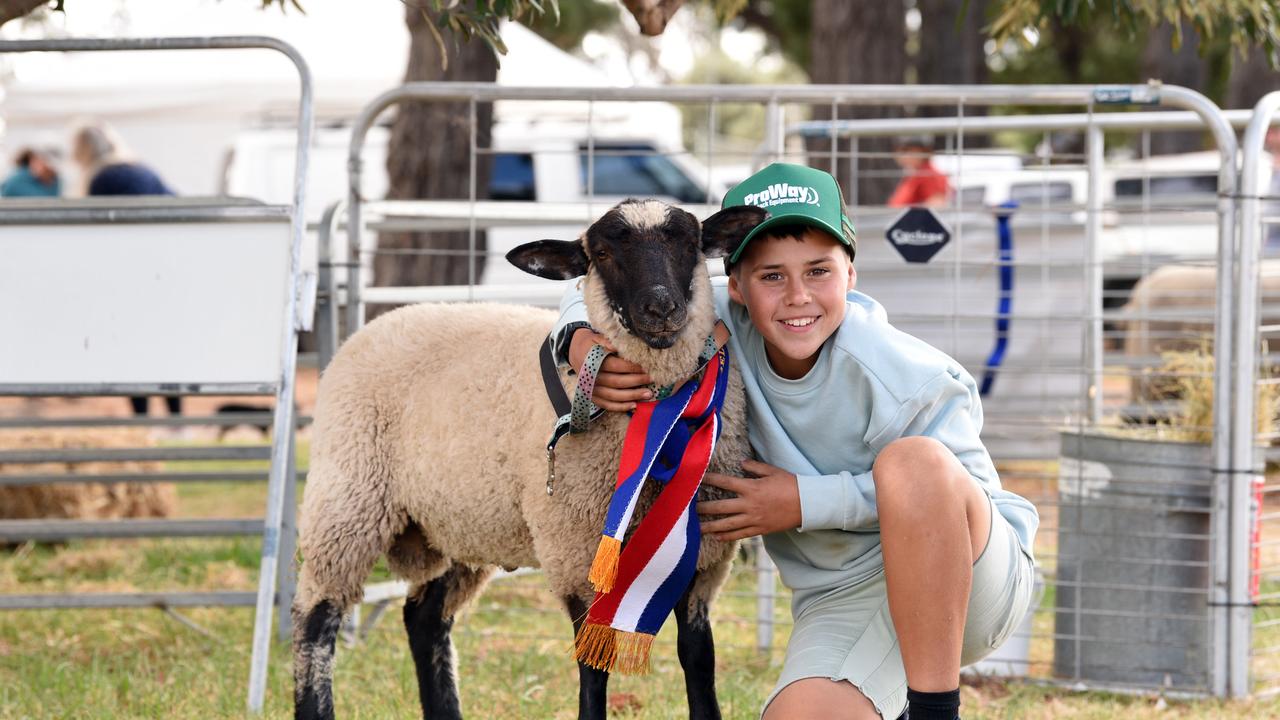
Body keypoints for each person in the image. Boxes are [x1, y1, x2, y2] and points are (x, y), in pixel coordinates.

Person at [552, 163, 1039, 720]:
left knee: (916, 463)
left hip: (972, 583)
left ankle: (935, 712)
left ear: (851, 275)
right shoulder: (716, 322)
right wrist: (578, 340)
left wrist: (804, 502)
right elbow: (595, 282)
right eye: (772, 277)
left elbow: (960, 495)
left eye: (818, 271)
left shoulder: (903, 372)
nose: (798, 297)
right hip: (847, 602)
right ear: (733, 286)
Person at [70, 120, 181, 419]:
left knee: (132, 345)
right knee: (164, 344)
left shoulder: (101, 179)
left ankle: (142, 418)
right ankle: (178, 419)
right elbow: (178, 202)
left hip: (129, 273)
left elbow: (97, 230)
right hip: (164, 268)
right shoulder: (142, 169)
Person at [887, 135, 951, 208]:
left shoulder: (929, 175)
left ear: (924, 151)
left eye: (906, 150)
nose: (900, 155)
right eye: (898, 150)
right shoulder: (915, 174)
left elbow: (937, 205)